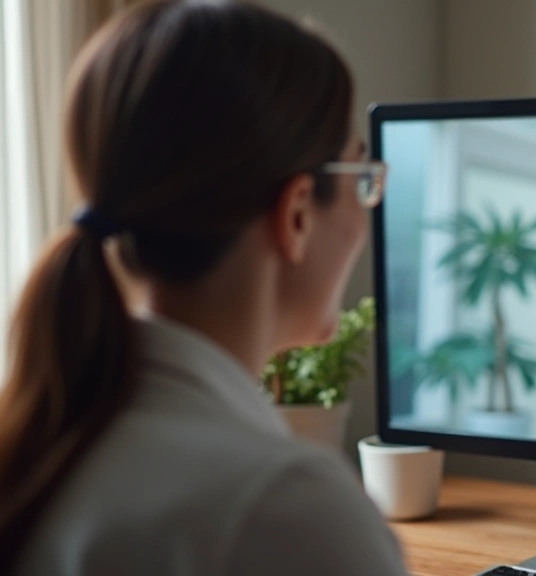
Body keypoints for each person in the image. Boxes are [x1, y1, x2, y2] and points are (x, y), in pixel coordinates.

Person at [0, 1, 407, 574]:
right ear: (296, 215)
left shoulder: (41, 443)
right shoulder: (287, 509)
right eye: (362, 178)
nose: (368, 213)